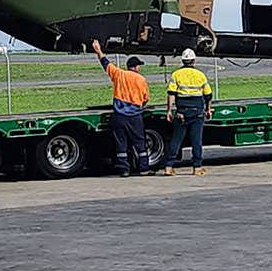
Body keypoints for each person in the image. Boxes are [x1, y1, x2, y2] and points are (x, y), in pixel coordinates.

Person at [91, 39, 152, 177]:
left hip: (119, 116)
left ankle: (124, 170)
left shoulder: (119, 74)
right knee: (140, 143)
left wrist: (98, 51)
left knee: (121, 144)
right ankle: (144, 168)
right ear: (135, 67)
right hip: (134, 116)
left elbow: (105, 64)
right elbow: (145, 99)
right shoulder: (141, 79)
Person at [163, 48, 213, 176]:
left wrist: (169, 110)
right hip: (197, 112)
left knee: (176, 140)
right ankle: (197, 167)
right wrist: (208, 110)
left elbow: (171, 94)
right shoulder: (200, 75)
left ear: (182, 60)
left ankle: (169, 166)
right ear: (194, 60)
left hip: (182, 112)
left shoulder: (176, 75)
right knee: (196, 141)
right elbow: (208, 95)